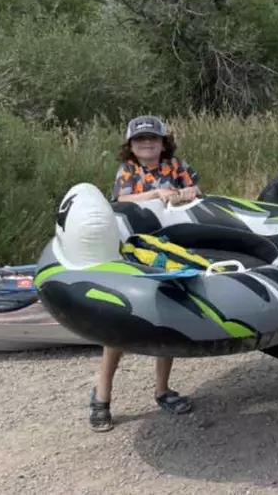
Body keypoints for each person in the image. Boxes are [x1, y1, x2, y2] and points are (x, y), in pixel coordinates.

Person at [90, 115, 202, 432]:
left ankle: (162, 390)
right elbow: (121, 199)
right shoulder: (128, 171)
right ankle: (102, 397)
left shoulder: (176, 165)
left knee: (165, 317)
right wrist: (157, 193)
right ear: (130, 146)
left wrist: (182, 193)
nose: (147, 143)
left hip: (167, 251)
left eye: (153, 138)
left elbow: (196, 188)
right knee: (117, 325)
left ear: (164, 141)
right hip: (132, 251)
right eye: (140, 140)